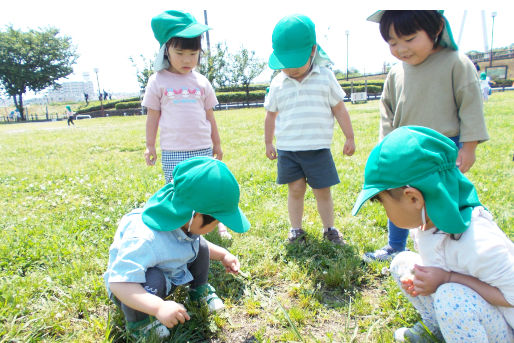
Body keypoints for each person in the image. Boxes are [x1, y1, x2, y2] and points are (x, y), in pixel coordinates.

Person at [352, 126, 514, 342]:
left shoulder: (479, 242)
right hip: (468, 301)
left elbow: (511, 297)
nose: (386, 212)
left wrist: (447, 279)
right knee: (402, 262)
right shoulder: (427, 221)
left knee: (450, 297)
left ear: (414, 199)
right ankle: (436, 326)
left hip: (505, 325)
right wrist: (423, 279)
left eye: (383, 203)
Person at [363, 10, 489, 262]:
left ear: (436, 28)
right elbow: (386, 111)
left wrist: (469, 147)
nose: (401, 49)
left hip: (442, 151)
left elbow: (470, 106)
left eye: (409, 39)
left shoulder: (455, 62)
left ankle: (452, 249)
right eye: (392, 42)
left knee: (443, 199)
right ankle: (395, 246)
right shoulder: (395, 73)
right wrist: (386, 146)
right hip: (403, 153)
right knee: (398, 199)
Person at [104, 157, 251, 340]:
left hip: (166, 272)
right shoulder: (145, 238)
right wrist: (158, 307)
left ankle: (199, 290)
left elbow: (196, 243)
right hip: (132, 288)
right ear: (194, 215)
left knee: (201, 244)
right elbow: (120, 283)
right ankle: (140, 323)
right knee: (153, 278)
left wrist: (223, 255)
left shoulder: (184, 223)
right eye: (216, 221)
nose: (217, 226)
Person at [264, 14, 355, 245]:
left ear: (313, 50)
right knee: (295, 189)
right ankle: (296, 230)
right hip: (288, 149)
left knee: (322, 190)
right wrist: (268, 142)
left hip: (317, 148)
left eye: (297, 62)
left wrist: (349, 136)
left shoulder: (325, 77)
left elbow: (340, 109)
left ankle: (330, 229)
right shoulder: (277, 83)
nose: (291, 69)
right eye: (286, 64)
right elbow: (270, 114)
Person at [142, 10, 231, 239]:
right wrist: (150, 145)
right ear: (166, 50)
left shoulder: (201, 82)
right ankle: (180, 226)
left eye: (193, 54)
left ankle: (217, 222)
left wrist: (217, 144)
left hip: (201, 148)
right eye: (180, 53)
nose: (187, 60)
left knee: (208, 188)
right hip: (173, 150)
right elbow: (153, 116)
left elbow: (210, 117)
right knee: (177, 190)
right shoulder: (158, 81)